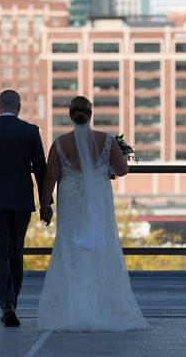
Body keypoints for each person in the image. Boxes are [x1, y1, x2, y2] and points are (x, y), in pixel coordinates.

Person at [36, 96, 149, 331]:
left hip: (72, 200)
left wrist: (46, 205)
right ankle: (101, 307)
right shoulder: (106, 140)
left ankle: (74, 308)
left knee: (71, 249)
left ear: (70, 114)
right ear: (91, 114)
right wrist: (118, 155)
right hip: (98, 199)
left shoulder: (59, 143)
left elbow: (50, 178)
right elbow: (122, 170)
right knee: (101, 247)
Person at [0, 89, 51, 328]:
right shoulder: (30, 132)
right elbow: (41, 170)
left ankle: (6, 303)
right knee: (16, 251)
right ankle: (12, 302)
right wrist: (45, 203)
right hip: (20, 202)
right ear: (19, 106)